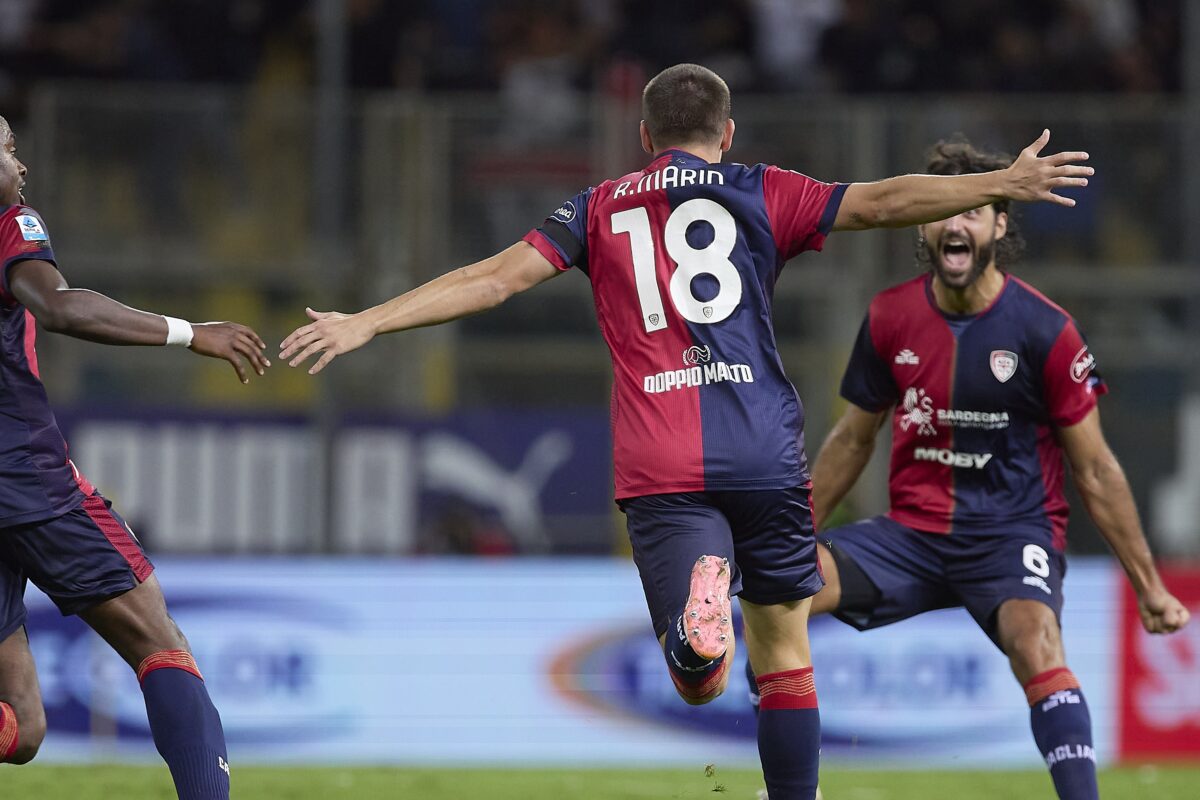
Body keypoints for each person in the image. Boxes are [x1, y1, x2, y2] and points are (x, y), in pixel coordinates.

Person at [278, 65, 1092, 800]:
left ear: (643, 138)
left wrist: (369, 321)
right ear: (727, 132)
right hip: (766, 450)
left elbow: (492, 281)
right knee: (783, 647)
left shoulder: (595, 208)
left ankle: (705, 595)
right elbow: (882, 202)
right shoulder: (765, 188)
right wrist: (1003, 181)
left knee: (701, 680)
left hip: (663, 457)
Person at [745, 139, 1190, 800]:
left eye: (977, 209)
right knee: (776, 599)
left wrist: (1150, 586)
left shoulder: (1046, 330)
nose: (957, 224)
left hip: (1010, 538)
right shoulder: (891, 316)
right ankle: (788, 786)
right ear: (926, 223)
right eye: (947, 211)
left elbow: (1095, 470)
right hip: (909, 539)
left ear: (999, 224)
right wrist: (791, 544)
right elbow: (851, 441)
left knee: (1038, 643)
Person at [0, 116, 270, 798]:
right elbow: (58, 306)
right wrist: (189, 333)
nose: (20, 165)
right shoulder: (9, 221)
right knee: (158, 639)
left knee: (22, 728)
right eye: (5, 148)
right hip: (22, 476)